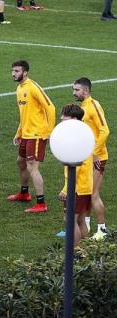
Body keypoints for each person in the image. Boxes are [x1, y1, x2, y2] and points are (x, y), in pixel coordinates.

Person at [8, 60, 56, 213]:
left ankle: (41, 203)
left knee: (32, 167)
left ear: (25, 72)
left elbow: (50, 107)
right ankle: (24, 193)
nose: (13, 74)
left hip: (37, 134)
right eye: (13, 71)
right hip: (26, 134)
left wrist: (49, 131)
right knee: (20, 162)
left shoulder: (33, 87)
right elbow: (25, 115)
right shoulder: (19, 88)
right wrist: (19, 132)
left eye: (17, 71)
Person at [72, 77, 110, 239]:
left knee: (93, 194)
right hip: (88, 157)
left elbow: (105, 130)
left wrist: (94, 152)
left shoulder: (93, 105)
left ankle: (102, 229)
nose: (74, 93)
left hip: (97, 157)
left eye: (77, 90)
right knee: (86, 193)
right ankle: (86, 224)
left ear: (86, 90)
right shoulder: (84, 106)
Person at [56, 104, 93, 246]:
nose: (61, 119)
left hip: (76, 188)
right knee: (81, 220)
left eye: (65, 117)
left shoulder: (75, 139)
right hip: (86, 186)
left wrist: (66, 189)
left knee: (70, 221)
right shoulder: (84, 134)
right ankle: (86, 251)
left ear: (74, 119)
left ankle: (75, 253)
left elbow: (76, 168)